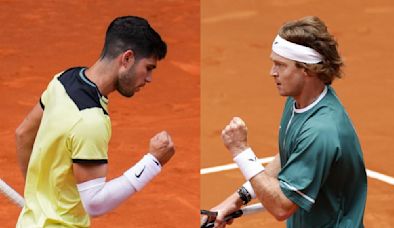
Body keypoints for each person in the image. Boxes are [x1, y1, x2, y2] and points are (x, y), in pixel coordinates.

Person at [15, 16, 175, 227]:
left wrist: (40, 199)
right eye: (148, 68)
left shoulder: (63, 80)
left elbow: (23, 134)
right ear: (127, 59)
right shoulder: (91, 121)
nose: (149, 79)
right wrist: (153, 162)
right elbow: (95, 204)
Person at [209, 16, 367, 227]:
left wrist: (241, 150)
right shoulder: (301, 100)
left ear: (307, 70)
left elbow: (282, 206)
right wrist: (235, 200)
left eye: (280, 65)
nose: (272, 72)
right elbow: (291, 156)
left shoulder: (321, 131)